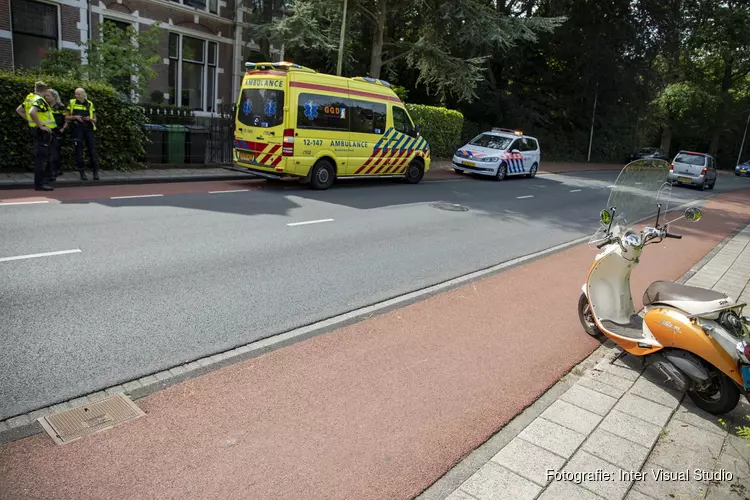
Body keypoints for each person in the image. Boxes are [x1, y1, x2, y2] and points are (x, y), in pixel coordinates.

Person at [26, 89, 57, 191]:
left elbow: (19, 110)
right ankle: (40, 184)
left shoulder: (30, 98)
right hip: (42, 132)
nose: (46, 96)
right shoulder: (39, 100)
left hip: (38, 131)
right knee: (42, 160)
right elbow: (32, 112)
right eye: (46, 94)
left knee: (42, 158)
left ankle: (41, 182)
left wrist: (33, 122)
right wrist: (40, 126)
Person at [68, 88, 99, 181]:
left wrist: (90, 119)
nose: (76, 96)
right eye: (76, 94)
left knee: (92, 150)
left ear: (83, 94)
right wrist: (75, 117)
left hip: (88, 128)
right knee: (79, 151)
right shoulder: (72, 102)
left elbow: (95, 119)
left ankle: (95, 172)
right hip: (77, 129)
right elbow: (66, 117)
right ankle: (82, 173)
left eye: (79, 94)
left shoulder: (89, 103)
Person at [47, 89, 69, 178]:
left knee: (55, 151)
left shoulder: (61, 106)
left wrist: (63, 128)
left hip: (57, 131)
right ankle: (53, 170)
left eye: (48, 95)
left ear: (54, 96)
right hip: (47, 130)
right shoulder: (45, 105)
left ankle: (55, 171)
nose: (46, 97)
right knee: (48, 151)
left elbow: (66, 119)